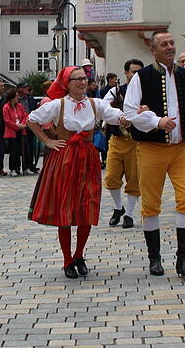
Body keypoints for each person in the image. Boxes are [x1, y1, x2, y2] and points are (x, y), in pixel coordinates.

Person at [27, 66, 126, 279]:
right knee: (65, 208)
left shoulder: (95, 103)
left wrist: (129, 117)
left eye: (84, 78)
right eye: (77, 79)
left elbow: (116, 115)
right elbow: (31, 119)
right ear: (67, 83)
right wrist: (47, 141)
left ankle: (79, 254)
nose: (82, 82)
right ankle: (67, 260)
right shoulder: (58, 104)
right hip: (65, 159)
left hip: (88, 158)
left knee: (87, 207)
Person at [124, 32, 185, 277]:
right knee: (150, 203)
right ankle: (154, 257)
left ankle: (183, 259)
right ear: (153, 50)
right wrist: (157, 121)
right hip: (151, 148)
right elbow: (130, 112)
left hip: (180, 148)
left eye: (171, 43)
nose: (170, 47)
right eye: (164, 44)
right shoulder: (141, 77)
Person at [102, 58, 144, 229]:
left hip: (136, 142)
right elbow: (103, 109)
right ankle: (119, 207)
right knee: (111, 178)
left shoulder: (146, 91)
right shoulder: (115, 91)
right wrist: (117, 113)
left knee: (134, 180)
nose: (136, 75)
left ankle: (129, 214)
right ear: (126, 73)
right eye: (133, 72)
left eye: (139, 72)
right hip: (117, 139)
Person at [2, 90, 29, 176]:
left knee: (22, 149)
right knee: (13, 151)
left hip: (21, 131)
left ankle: (21, 167)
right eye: (16, 96)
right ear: (12, 98)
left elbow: (25, 115)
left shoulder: (19, 106)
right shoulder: (6, 107)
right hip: (12, 132)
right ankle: (13, 168)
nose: (18, 98)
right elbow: (7, 121)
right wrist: (17, 126)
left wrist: (23, 124)